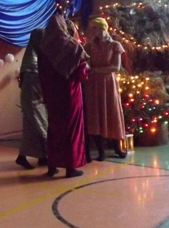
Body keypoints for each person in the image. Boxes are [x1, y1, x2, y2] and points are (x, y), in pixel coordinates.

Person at [38, 11, 88, 178]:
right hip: (70, 95)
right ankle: (71, 167)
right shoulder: (72, 47)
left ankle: (52, 165)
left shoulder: (44, 49)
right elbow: (82, 73)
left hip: (52, 96)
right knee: (72, 129)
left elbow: (41, 74)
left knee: (54, 129)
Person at [83, 17, 127, 161]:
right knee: (95, 114)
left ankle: (116, 147)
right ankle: (100, 151)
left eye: (95, 28)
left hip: (108, 83)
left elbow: (116, 67)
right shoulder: (89, 46)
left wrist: (96, 70)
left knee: (111, 112)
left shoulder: (115, 45)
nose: (93, 31)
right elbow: (87, 63)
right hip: (93, 84)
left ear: (102, 28)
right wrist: (88, 67)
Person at [16, 28, 48, 170]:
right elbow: (36, 84)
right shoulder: (32, 63)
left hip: (35, 100)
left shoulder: (31, 57)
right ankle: (45, 156)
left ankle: (37, 156)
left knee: (32, 130)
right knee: (42, 126)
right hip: (34, 101)